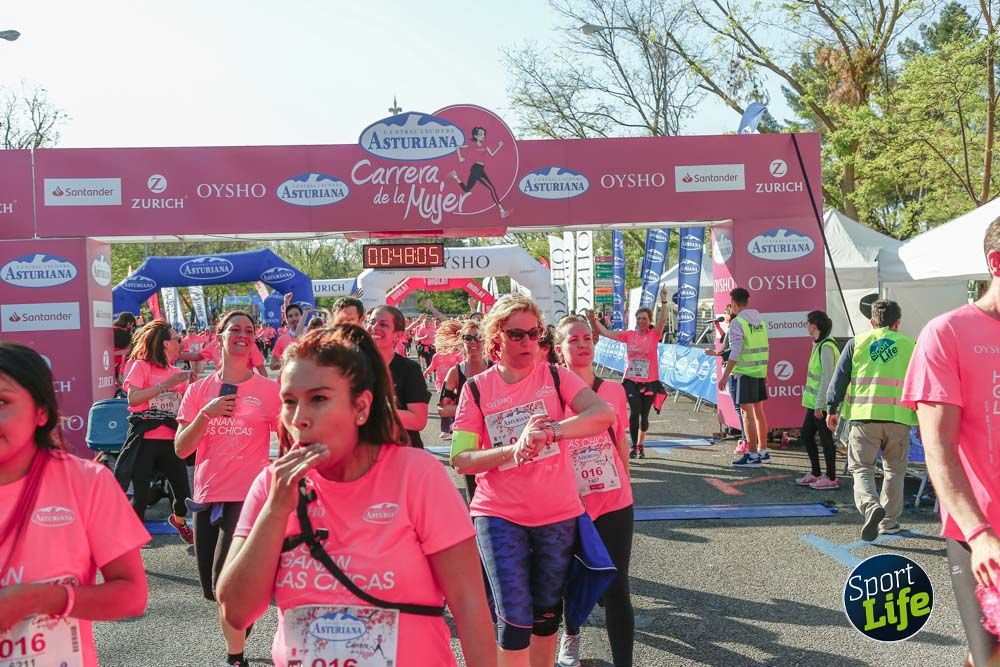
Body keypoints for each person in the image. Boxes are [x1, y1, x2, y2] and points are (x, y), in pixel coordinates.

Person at [216, 325, 497, 667]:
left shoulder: (417, 475)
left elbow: (468, 603)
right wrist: (275, 512)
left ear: (361, 406)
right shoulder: (272, 485)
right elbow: (236, 611)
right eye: (289, 401)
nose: (299, 418)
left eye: (318, 399)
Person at [451, 294, 614, 666]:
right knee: (513, 618)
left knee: (545, 615)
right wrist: (512, 449)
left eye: (535, 334)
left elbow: (601, 413)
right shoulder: (476, 389)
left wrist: (553, 431)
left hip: (557, 514)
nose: (529, 343)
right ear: (496, 338)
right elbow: (461, 459)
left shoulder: (556, 375)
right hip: (498, 515)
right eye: (517, 335)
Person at [0, 342, 149, 666]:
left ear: (41, 411)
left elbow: (132, 595)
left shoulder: (86, 482)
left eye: (2, 401)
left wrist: (40, 599)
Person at [902, 217, 1000, 667]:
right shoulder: (947, 334)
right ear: (996, 264)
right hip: (982, 534)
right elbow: (938, 452)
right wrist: (979, 534)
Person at [175, 310, 281, 667]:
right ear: (218, 336)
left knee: (227, 585)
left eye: (249, 330)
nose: (242, 334)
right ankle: (240, 625)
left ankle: (235, 657)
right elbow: (181, 449)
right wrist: (206, 414)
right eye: (234, 329)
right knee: (211, 590)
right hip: (207, 496)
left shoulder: (268, 390)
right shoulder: (197, 390)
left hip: (250, 497)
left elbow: (289, 438)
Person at [554, 316, 634, 667]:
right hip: (568, 503)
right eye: (574, 340)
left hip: (614, 500)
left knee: (618, 586)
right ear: (560, 350)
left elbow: (620, 443)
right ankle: (571, 636)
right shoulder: (551, 393)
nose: (583, 344)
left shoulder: (613, 390)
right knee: (571, 580)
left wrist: (627, 484)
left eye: (587, 338)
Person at [827, 299, 916, 541]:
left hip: (863, 417)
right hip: (899, 419)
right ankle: (889, 521)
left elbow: (839, 378)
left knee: (862, 468)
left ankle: (869, 506)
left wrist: (832, 408)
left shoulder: (857, 343)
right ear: (898, 323)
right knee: (895, 471)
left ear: (871, 322)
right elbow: (921, 383)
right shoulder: (911, 345)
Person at [120, 320, 194, 540]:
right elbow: (133, 400)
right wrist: (165, 385)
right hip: (145, 439)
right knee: (141, 495)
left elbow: (186, 409)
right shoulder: (141, 366)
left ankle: (178, 520)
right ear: (164, 344)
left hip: (172, 440)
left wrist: (194, 389)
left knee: (183, 496)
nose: (180, 343)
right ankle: (131, 541)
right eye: (176, 339)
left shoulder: (179, 372)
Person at [588, 287, 669, 459]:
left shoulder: (655, 334)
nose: (641, 321)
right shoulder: (629, 335)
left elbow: (663, 319)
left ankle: (641, 444)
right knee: (634, 413)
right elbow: (608, 333)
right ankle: (634, 447)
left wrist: (663, 301)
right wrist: (594, 321)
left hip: (650, 381)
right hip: (631, 379)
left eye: (644, 319)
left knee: (644, 417)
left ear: (649, 321)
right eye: (638, 318)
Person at [716, 287, 771, 467]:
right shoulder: (760, 321)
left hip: (744, 372)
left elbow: (736, 352)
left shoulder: (738, 323)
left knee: (747, 413)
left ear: (733, 304)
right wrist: (765, 372)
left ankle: (753, 455)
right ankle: (763, 450)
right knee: (759, 412)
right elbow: (765, 346)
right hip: (758, 371)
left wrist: (725, 376)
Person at [440, 319, 491, 498]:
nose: (473, 342)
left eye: (478, 338)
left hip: (493, 437)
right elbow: (443, 410)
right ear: (461, 342)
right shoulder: (455, 372)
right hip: (468, 437)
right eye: (468, 338)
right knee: (474, 491)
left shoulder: (495, 368)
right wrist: (471, 410)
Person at [367, 305, 430, 448]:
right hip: (365, 456)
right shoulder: (353, 366)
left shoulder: (409, 369)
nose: (374, 327)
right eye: (371, 322)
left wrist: (373, 411)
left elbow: (418, 420)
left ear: (398, 335)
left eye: (383, 324)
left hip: (403, 454)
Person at [796, 310, 841, 490]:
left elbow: (826, 378)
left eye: (808, 324)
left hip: (820, 404)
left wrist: (820, 405)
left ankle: (831, 477)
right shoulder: (819, 345)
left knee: (825, 439)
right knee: (807, 435)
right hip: (815, 403)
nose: (806, 327)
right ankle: (816, 473)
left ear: (814, 326)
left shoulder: (826, 347)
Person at [448, 126, 511, 219]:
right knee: (492, 189)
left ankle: (455, 177)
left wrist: (499, 146)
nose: (483, 136)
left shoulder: (485, 145)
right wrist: (460, 158)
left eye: (484, 134)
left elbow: (492, 154)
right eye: (480, 134)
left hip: (480, 169)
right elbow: (458, 147)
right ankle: (502, 211)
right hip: (476, 169)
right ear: (475, 135)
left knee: (466, 190)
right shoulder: (471, 144)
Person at [425, 320, 465, 439]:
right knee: (444, 405)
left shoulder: (457, 354)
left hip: (455, 385)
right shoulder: (437, 356)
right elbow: (432, 367)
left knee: (453, 406)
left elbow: (462, 367)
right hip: (440, 385)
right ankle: (445, 430)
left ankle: (454, 425)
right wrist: (425, 373)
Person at [270, 294, 306, 371]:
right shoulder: (281, 340)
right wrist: (287, 362)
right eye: (290, 316)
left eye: (297, 315)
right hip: (287, 381)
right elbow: (272, 365)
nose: (294, 319)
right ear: (287, 319)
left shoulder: (311, 335)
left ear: (302, 315)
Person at [112, 312, 137, 386]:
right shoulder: (127, 336)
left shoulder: (110, 329)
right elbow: (128, 350)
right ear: (129, 323)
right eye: (132, 325)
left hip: (106, 359)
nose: (132, 327)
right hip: (118, 362)